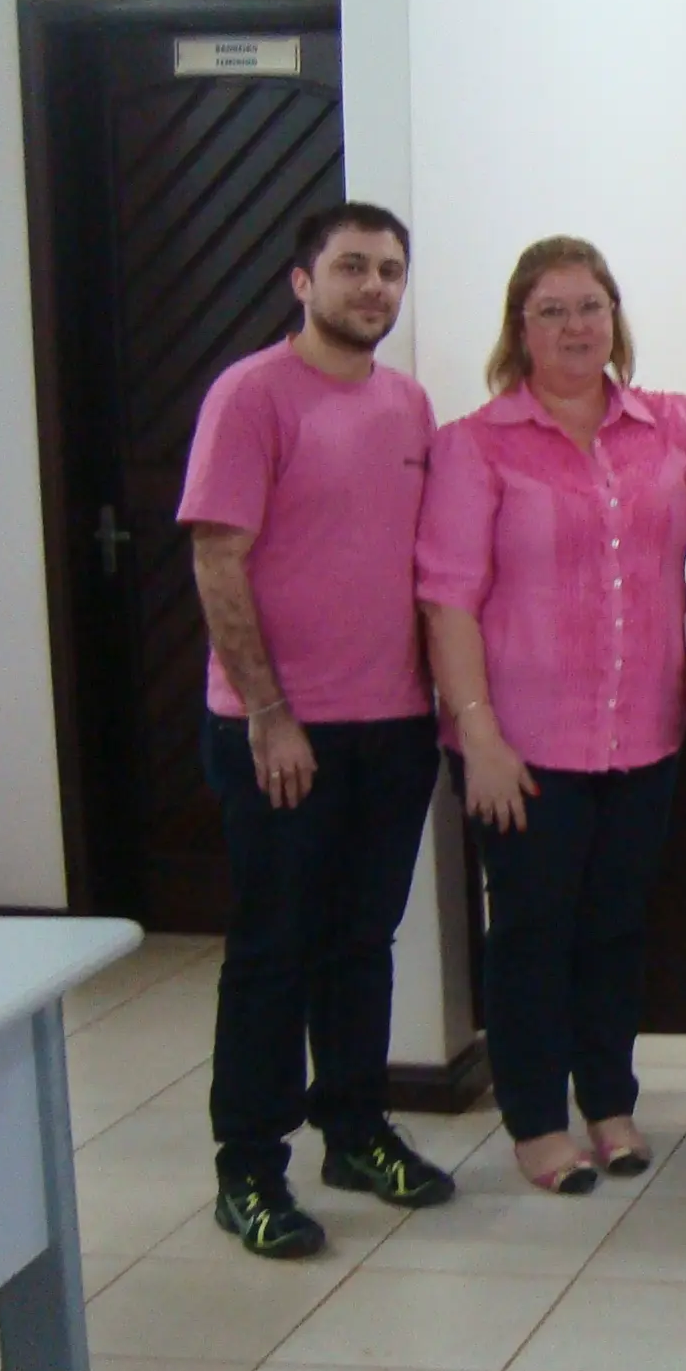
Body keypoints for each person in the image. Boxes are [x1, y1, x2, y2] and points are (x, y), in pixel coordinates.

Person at [182, 202, 457, 1258]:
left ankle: (354, 1129)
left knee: (362, 943)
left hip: (393, 725)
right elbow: (217, 557)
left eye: (390, 270)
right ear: (304, 281)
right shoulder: (251, 395)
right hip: (280, 734)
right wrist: (268, 713)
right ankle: (249, 1168)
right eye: (352, 267)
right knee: (273, 951)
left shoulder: (408, 404)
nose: (374, 287)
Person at [416, 237, 686, 1195]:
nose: (577, 327)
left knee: (616, 930)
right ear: (520, 327)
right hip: (523, 747)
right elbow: (448, 599)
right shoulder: (475, 445)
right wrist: (479, 733)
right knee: (532, 933)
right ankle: (537, 1120)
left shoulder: (671, 427)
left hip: (644, 734)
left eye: (591, 307)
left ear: (615, 317)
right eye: (553, 311)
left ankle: (610, 1104)